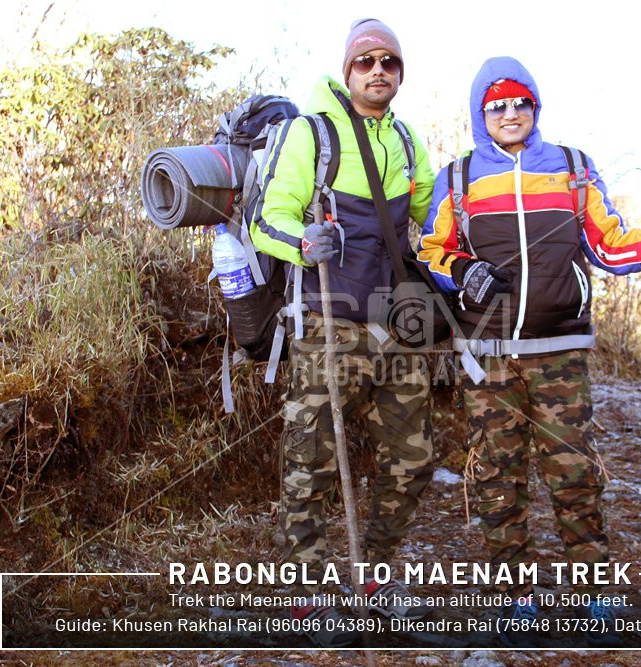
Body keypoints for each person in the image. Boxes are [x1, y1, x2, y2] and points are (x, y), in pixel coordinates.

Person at [417, 56, 641, 648]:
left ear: (536, 108)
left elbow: (610, 246)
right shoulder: (460, 177)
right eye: (497, 106)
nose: (510, 113)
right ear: (480, 116)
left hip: (560, 349)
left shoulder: (572, 169)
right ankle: (513, 594)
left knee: (573, 469)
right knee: (498, 472)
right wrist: (464, 271)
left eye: (520, 102)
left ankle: (592, 588)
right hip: (488, 351)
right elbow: (431, 251)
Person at [249, 18, 437, 647]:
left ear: (399, 72)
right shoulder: (314, 133)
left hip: (395, 323)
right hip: (325, 317)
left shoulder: (408, 142)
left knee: (412, 457)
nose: (378, 71)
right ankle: (305, 587)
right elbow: (265, 220)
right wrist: (304, 242)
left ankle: (376, 576)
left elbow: (433, 218)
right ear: (348, 70)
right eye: (366, 62)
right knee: (310, 458)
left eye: (389, 61)